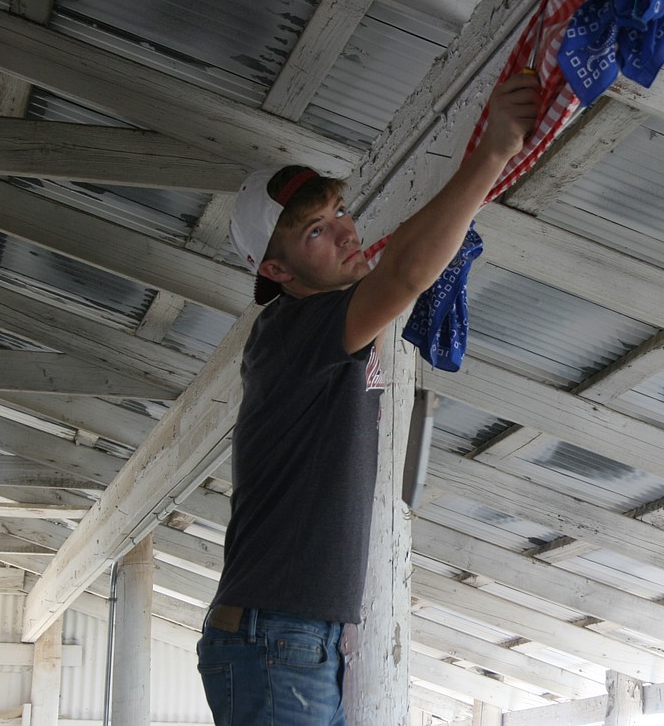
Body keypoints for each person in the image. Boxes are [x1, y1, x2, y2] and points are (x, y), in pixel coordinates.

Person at [196, 73, 539, 726]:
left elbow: (400, 261)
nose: (347, 234)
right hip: (278, 642)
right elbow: (408, 275)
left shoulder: (313, 325)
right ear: (276, 272)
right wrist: (492, 153)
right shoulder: (298, 327)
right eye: (317, 233)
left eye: (340, 214)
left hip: (289, 639)